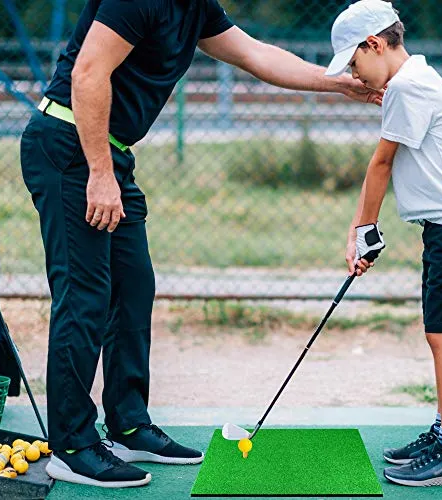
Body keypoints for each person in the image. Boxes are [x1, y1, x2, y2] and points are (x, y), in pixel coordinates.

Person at [20, 0, 382, 489]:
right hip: (71, 146)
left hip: (110, 152)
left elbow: (255, 54)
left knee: (133, 289)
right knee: (84, 297)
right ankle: (72, 445)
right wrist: (100, 174)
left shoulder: (195, 7)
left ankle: (128, 425)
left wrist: (337, 82)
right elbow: (88, 73)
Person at [325, 0, 442, 488]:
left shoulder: (407, 87)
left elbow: (381, 165)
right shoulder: (414, 81)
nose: (357, 76)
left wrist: (361, 231)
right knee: (440, 331)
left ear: (374, 44)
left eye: (355, 64)